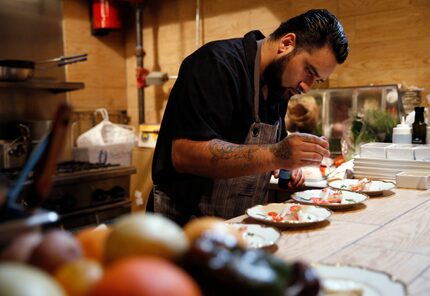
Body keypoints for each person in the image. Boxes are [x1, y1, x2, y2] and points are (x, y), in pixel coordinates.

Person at [152, 9, 349, 225]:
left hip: (238, 229)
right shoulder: (215, 64)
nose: (306, 87)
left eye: (317, 80)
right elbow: (184, 155)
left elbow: (270, 153)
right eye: (309, 71)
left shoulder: (279, 86)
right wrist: (277, 154)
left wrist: (288, 167)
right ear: (286, 43)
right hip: (181, 229)